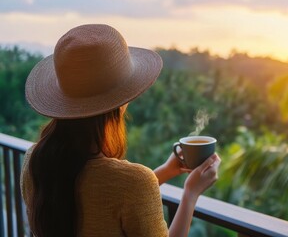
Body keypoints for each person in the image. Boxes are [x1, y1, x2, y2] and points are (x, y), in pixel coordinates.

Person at [20, 24, 221, 237]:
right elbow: (115, 190)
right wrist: (190, 194)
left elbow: (103, 196)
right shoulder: (133, 183)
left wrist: (164, 172)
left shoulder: (36, 161)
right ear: (120, 103)